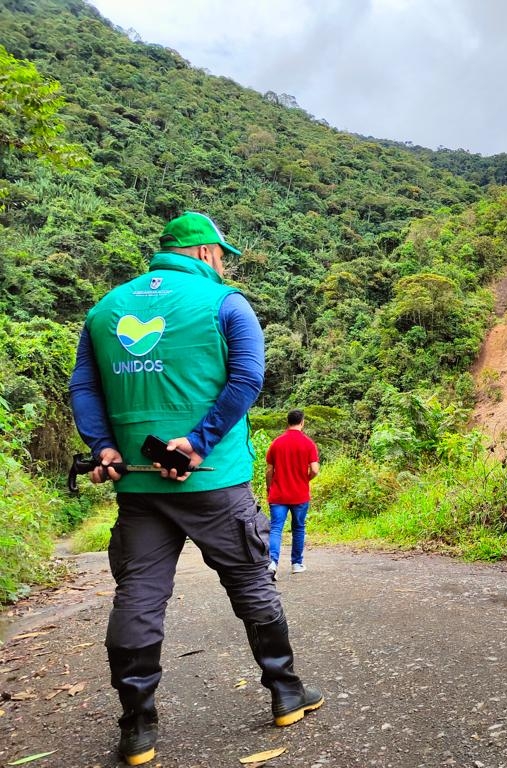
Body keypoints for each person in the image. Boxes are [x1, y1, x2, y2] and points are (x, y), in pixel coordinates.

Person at [69, 211, 323, 766]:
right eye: (223, 254)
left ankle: (138, 727)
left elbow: (83, 387)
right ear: (206, 252)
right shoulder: (226, 303)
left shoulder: (104, 310)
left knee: (138, 596)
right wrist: (200, 443)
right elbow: (248, 378)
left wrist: (103, 447)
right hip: (215, 482)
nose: (224, 263)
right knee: (250, 582)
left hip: (139, 487)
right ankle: (285, 693)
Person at [266, 409, 320, 577]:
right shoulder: (308, 443)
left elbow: (269, 470)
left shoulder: (276, 443)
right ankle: (296, 563)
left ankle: (272, 562)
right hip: (300, 494)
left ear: (287, 422)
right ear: (302, 422)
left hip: (278, 494)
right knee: (298, 528)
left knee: (276, 528)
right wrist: (306, 479)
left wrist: (269, 488)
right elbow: (315, 470)